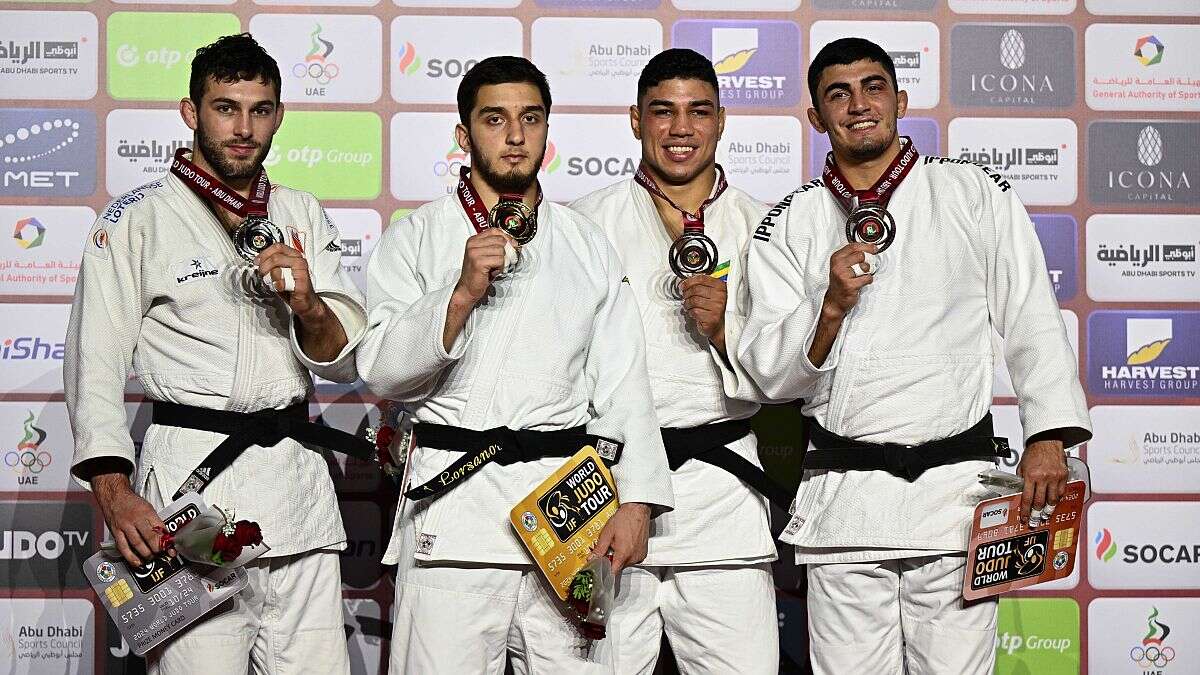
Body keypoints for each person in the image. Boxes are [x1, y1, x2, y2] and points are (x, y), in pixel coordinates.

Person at [738, 37, 1091, 674]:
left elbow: (1031, 315)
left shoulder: (972, 191)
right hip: (847, 501)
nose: (858, 105)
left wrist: (1050, 435)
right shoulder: (792, 218)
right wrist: (830, 304)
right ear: (817, 118)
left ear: (900, 100)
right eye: (837, 94)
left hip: (956, 497)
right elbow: (769, 374)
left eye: (873, 87)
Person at [355, 55, 673, 674]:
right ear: (463, 134)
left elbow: (624, 382)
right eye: (495, 119)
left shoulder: (584, 243)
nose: (516, 135)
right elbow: (383, 371)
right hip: (453, 520)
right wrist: (461, 292)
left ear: (549, 132)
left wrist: (637, 503)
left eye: (531, 118)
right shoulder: (417, 237)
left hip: (566, 522)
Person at [65, 33, 366, 674]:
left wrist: (310, 304)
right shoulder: (137, 220)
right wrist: (115, 494)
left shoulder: (300, 214)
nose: (243, 128)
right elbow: (93, 363)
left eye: (260, 110)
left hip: (296, 494)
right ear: (190, 111)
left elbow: (342, 361)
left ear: (279, 116)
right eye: (226, 107)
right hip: (190, 494)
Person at [570, 48, 783, 675]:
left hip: (722, 488)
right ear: (635, 121)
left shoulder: (763, 227)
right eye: (662, 112)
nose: (681, 128)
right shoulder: (584, 223)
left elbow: (789, 373)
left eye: (698, 112)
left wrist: (724, 331)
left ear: (722, 121)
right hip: (607, 486)